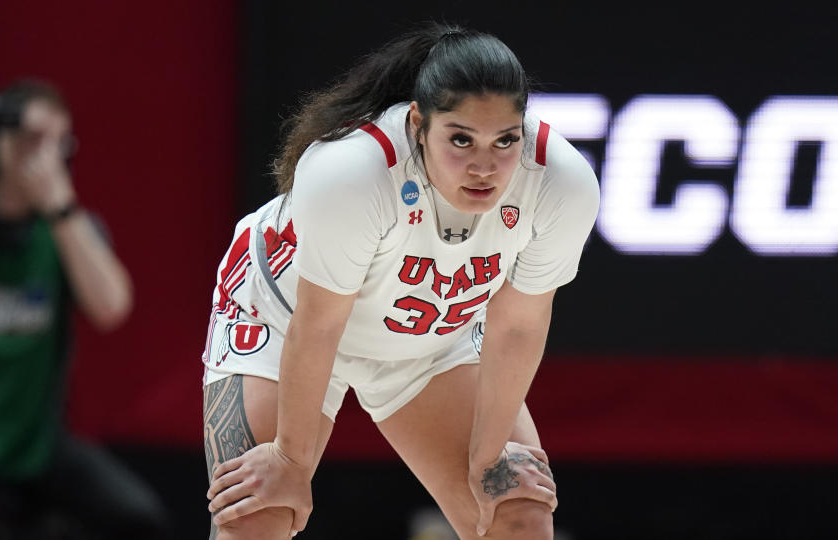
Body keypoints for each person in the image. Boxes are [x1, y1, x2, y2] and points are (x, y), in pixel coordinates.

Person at [202, 24, 599, 540]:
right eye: (461, 139)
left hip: (431, 335)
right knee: (257, 517)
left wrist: (487, 458)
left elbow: (518, 326)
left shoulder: (561, 182)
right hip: (285, 318)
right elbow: (319, 324)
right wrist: (289, 461)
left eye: (505, 140)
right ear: (418, 123)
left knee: (515, 515)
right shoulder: (351, 170)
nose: (485, 166)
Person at [0, 80, 169, 538]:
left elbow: (111, 308)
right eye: (32, 140)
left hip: (37, 447)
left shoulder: (68, 233)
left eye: (59, 145)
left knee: (138, 519)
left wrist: (59, 207)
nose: (45, 159)